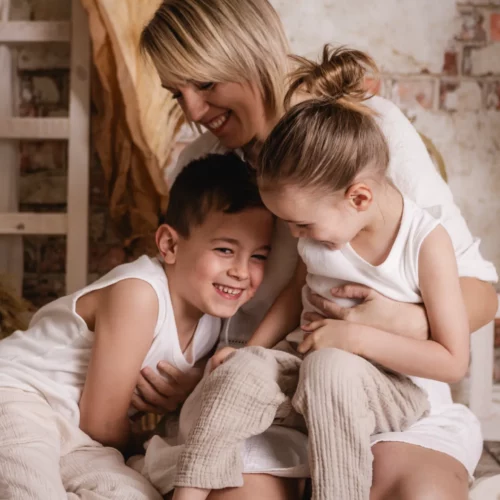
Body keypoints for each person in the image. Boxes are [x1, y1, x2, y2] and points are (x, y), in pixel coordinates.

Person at [137, 1, 498, 499]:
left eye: (205, 84)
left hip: (382, 388)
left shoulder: (367, 133)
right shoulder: (206, 163)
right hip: (270, 389)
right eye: (177, 93)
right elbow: (195, 295)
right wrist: (196, 377)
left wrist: (403, 323)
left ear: (251, 54)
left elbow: (481, 291)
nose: (194, 112)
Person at [0, 153, 274, 500]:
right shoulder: (140, 293)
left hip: (81, 439)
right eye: (224, 250)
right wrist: (140, 449)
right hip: (20, 397)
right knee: (31, 490)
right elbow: (101, 421)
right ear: (169, 245)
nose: (241, 271)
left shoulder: (213, 320)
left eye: (259, 256)